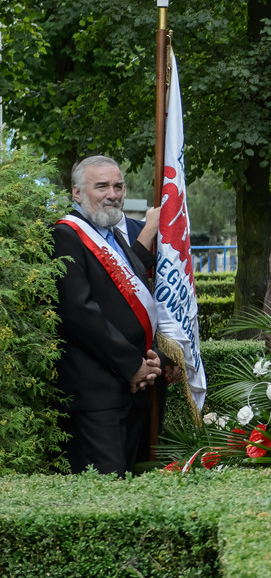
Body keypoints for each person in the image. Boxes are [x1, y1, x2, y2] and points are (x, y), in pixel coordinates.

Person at [53, 155, 163, 475]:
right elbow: (80, 314)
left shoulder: (114, 237)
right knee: (105, 495)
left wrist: (152, 357)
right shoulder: (67, 236)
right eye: (101, 186)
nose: (112, 194)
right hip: (95, 397)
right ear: (76, 193)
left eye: (118, 186)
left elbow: (135, 306)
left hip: (131, 390)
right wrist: (133, 365)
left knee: (128, 491)